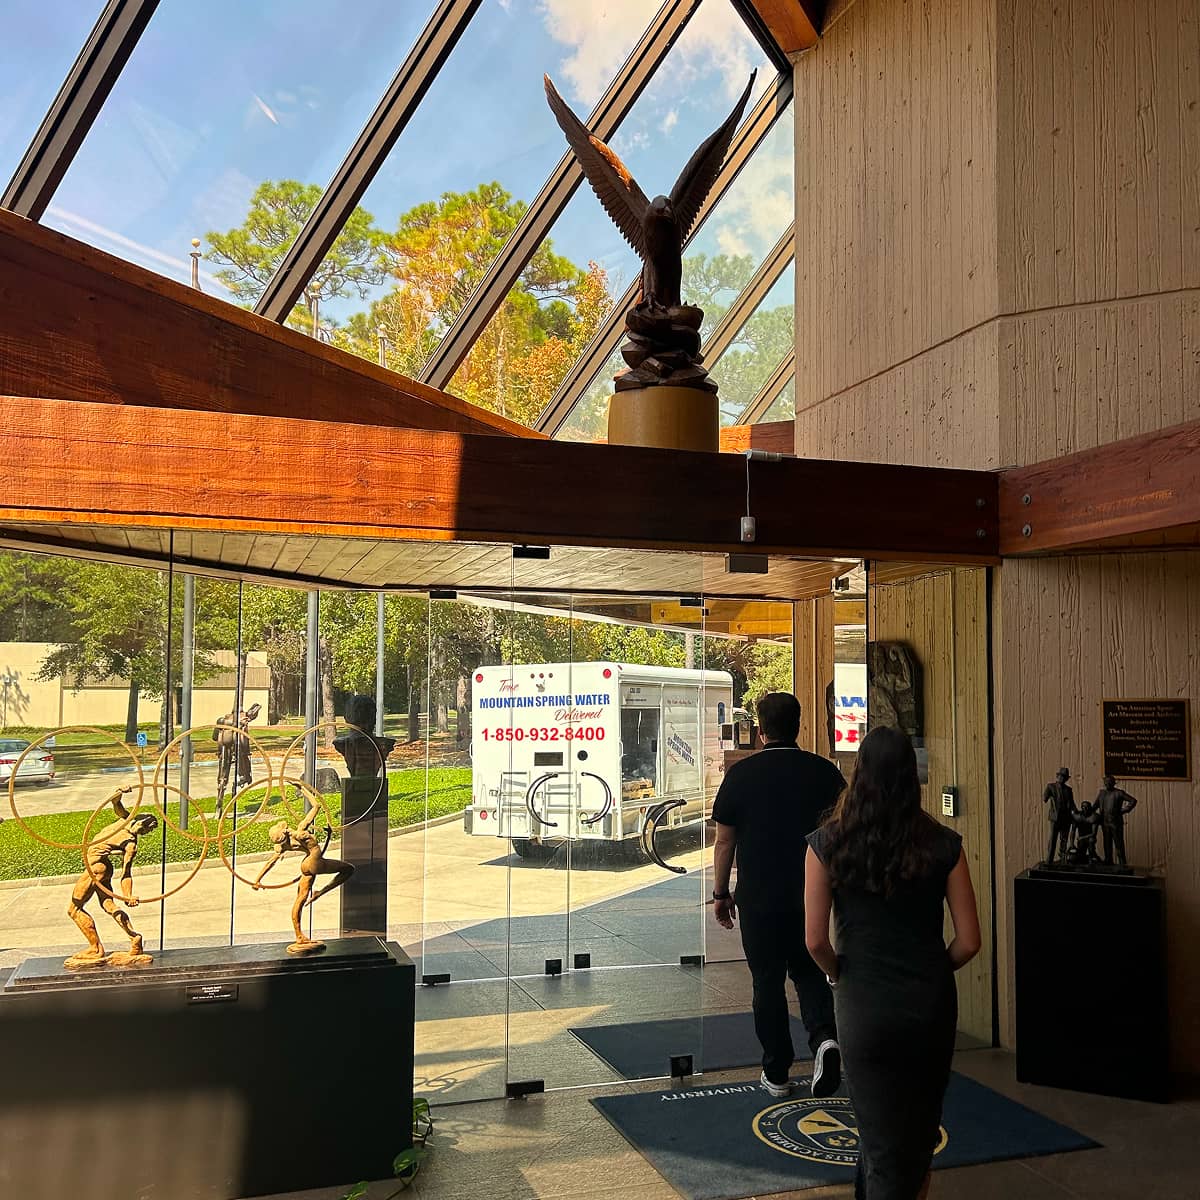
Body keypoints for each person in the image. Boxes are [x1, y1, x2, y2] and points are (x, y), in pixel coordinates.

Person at [804, 726, 980, 1200]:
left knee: (879, 1141)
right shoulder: (944, 844)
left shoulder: (827, 844)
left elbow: (815, 940)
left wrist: (841, 974)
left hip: (863, 1004)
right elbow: (969, 941)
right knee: (919, 1140)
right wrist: (932, 970)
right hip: (930, 1004)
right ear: (914, 777)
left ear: (858, 773)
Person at [711, 691, 846, 1098]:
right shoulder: (826, 774)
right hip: (812, 894)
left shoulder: (742, 775)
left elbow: (724, 842)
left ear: (760, 728)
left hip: (760, 897)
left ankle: (777, 1071)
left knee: (766, 982)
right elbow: (842, 833)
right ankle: (824, 1040)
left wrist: (721, 893)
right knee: (810, 971)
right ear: (799, 724)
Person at [65, 785, 159, 969]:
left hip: (97, 867)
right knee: (108, 905)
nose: (146, 833)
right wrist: (120, 790)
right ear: (141, 822)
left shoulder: (131, 845)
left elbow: (126, 873)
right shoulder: (126, 818)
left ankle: (95, 949)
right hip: (103, 867)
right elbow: (115, 801)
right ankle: (134, 937)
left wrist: (128, 895)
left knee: (74, 910)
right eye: (148, 829)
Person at [252, 803, 354, 956]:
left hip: (305, 866)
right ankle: (321, 891)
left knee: (300, 899)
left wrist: (257, 880)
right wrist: (302, 788)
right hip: (315, 863)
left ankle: (299, 936)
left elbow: (270, 862)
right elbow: (316, 806)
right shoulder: (300, 832)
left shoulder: (284, 846)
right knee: (348, 869)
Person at [1095, 775, 1138, 866]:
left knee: (1118, 842)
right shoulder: (1102, 793)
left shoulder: (1119, 793)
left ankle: (1122, 861)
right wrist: (1085, 812)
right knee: (1107, 842)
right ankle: (1108, 860)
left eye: (1109, 782)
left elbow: (1133, 800)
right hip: (1105, 822)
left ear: (1113, 783)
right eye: (1106, 782)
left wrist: (1124, 810)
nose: (1107, 784)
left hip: (1115, 822)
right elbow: (1095, 806)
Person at [1042, 766, 1076, 864]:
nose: (1062, 778)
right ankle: (1049, 860)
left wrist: (1076, 812)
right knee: (1053, 839)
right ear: (1057, 776)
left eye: (1064, 777)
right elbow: (1045, 799)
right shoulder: (1050, 786)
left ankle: (1062, 860)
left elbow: (1072, 803)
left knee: (1064, 840)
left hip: (1066, 817)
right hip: (1055, 817)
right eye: (1061, 776)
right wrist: (1047, 795)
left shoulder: (1068, 790)